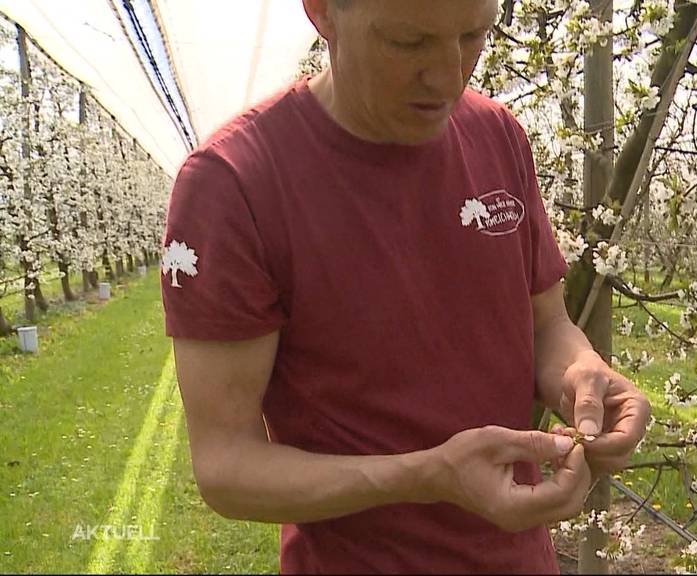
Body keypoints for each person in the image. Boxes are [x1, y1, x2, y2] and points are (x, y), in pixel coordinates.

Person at [159, 0, 651, 572]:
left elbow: (547, 324)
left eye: (473, 35)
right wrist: (428, 476)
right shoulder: (233, 185)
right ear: (321, 13)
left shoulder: (498, 138)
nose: (448, 74)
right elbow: (226, 466)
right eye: (408, 42)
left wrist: (581, 376)